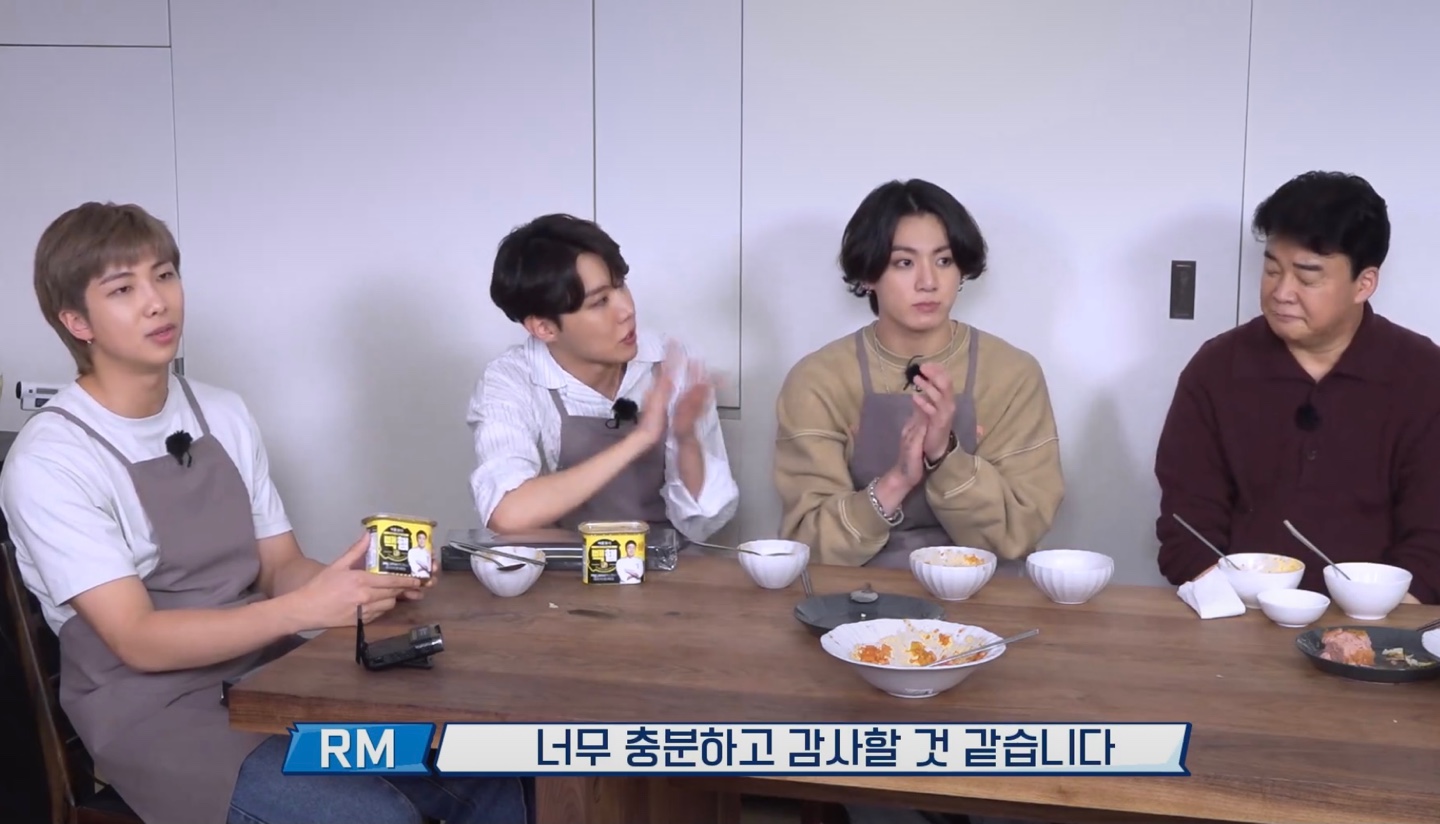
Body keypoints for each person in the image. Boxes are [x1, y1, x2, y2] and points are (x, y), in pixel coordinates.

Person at [0, 202, 529, 824]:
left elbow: (280, 567)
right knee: (370, 815)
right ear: (76, 322)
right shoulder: (52, 458)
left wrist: (357, 587)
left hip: (270, 673)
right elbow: (136, 639)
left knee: (489, 766)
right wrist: (306, 610)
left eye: (164, 275)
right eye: (123, 289)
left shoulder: (221, 412)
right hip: (152, 712)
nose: (157, 302)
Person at [1155, 171, 1440, 604]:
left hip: (1382, 624)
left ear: (1364, 283)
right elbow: (1187, 527)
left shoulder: (1422, 375)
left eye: (1307, 277)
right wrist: (1236, 611)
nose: (1281, 292)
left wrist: (1369, 631)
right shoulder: (1216, 369)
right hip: (1239, 615)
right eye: (1272, 269)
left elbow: (1432, 539)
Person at [772, 179, 1065, 570]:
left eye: (944, 261)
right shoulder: (818, 380)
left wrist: (946, 456)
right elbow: (810, 543)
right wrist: (897, 480)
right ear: (868, 275)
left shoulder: (1012, 374)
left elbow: (1019, 531)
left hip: (987, 587)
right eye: (904, 263)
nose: (928, 282)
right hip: (857, 592)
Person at [467, 213, 739, 547]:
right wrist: (639, 439)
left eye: (620, 285)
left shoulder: (670, 361)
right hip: (566, 567)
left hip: (669, 566)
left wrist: (687, 441)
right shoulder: (511, 381)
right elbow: (508, 514)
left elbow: (705, 522)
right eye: (600, 302)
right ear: (544, 328)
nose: (627, 310)